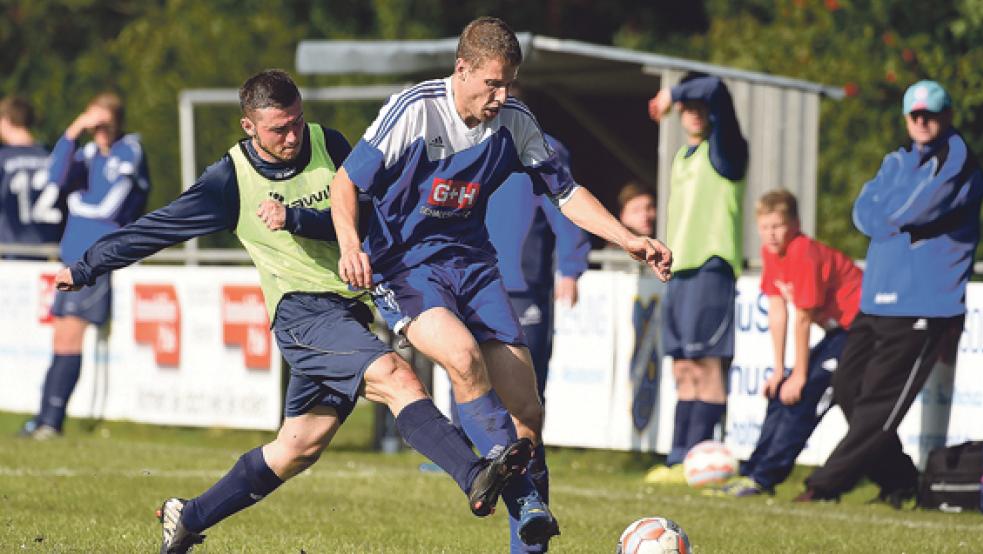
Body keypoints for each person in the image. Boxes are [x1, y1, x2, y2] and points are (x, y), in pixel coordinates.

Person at [52, 70, 534, 553]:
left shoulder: (331, 143)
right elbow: (159, 227)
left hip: (348, 315)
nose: (292, 136)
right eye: (278, 129)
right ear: (249, 127)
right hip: (302, 315)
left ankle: (189, 515)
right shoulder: (231, 179)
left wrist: (299, 218)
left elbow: (363, 219)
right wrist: (88, 266)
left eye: (297, 122)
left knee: (298, 447)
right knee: (397, 376)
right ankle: (474, 475)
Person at [330, 17, 672, 553]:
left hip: (474, 265)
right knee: (463, 359)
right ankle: (525, 502)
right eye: (492, 82)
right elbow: (345, 180)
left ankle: (529, 545)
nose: (501, 94)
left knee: (527, 412)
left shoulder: (514, 120)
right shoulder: (416, 109)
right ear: (461, 69)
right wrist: (352, 246)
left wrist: (626, 236)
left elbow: (565, 192)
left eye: (509, 82)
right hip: (406, 267)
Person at [797, 80, 983, 507]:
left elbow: (918, 207)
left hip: (923, 304)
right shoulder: (896, 159)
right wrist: (887, 217)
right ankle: (899, 480)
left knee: (879, 406)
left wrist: (890, 215)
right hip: (876, 298)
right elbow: (864, 209)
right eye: (915, 115)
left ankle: (824, 485)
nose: (922, 122)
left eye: (930, 114)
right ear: (906, 118)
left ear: (947, 115)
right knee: (846, 387)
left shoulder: (957, 158)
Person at [714, 189, 861, 497]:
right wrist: (781, 370)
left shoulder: (803, 252)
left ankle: (765, 479)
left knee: (802, 394)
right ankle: (752, 473)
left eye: (777, 226)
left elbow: (803, 318)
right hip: (839, 333)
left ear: (795, 223)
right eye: (765, 227)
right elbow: (778, 310)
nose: (771, 234)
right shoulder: (771, 253)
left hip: (861, 330)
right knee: (781, 393)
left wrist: (800, 375)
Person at [20, 92, 150, 439]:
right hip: (71, 258)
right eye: (95, 125)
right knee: (61, 337)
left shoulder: (129, 151)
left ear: (117, 121)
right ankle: (44, 418)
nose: (100, 132)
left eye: (104, 124)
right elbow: (54, 178)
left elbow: (110, 207)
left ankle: (51, 421)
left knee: (70, 337)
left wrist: (77, 202)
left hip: (97, 260)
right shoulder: (90, 152)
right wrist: (74, 131)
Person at [644, 73, 748, 484]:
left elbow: (716, 88)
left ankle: (703, 463)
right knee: (684, 367)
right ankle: (678, 459)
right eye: (686, 107)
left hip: (711, 268)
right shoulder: (682, 156)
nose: (692, 112)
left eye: (696, 105)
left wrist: (673, 92)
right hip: (681, 271)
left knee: (707, 366)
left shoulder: (726, 151)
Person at [484, 130, 590, 516]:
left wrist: (572, 267)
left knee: (525, 388)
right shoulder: (463, 142)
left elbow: (564, 202)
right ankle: (474, 458)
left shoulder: (542, 147)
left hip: (523, 286)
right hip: (474, 282)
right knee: (467, 369)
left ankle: (526, 469)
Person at [0, 96, 66, 258]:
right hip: (50, 251)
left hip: (11, 249)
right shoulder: (51, 156)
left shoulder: (3, 158)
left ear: (6, 120)